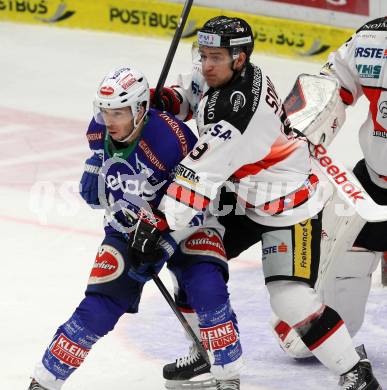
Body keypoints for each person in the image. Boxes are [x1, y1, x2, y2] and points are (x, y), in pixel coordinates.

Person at [131, 16, 382, 390]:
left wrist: (163, 221)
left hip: (288, 206)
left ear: (240, 58)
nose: (207, 65)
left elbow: (199, 174)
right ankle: (205, 351)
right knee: (190, 260)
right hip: (243, 196)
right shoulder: (228, 74)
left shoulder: (238, 113)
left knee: (290, 299)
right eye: (204, 55)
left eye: (215, 57)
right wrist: (169, 99)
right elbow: (196, 91)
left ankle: (354, 372)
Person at [28, 66, 244, 389]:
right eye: (105, 112)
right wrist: (96, 162)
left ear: (141, 109)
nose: (110, 121)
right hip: (128, 226)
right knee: (98, 306)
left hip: (189, 224)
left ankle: (227, 377)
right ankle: (44, 382)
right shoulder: (100, 129)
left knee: (206, 286)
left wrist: (165, 242)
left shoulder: (173, 141)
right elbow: (98, 173)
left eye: (119, 112)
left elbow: (203, 198)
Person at [269, 15, 387, 372]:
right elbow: (328, 83)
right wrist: (300, 129)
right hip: (372, 186)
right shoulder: (374, 41)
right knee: (308, 341)